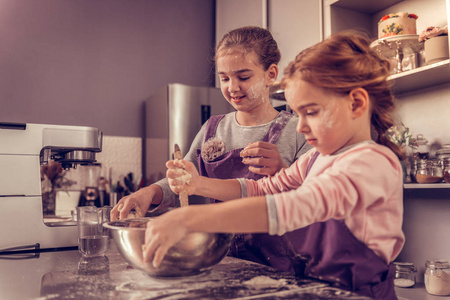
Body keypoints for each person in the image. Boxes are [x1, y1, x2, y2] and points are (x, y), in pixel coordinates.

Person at [143, 31, 405, 300]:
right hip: (319, 287)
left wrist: (189, 219)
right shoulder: (316, 157)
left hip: (361, 293)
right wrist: (198, 184)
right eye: (299, 113)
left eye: (311, 112)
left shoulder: (370, 163)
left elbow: (296, 206)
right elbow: (261, 189)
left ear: (357, 103)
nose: (301, 126)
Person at [111, 26, 311, 265]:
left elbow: (314, 199)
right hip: (225, 259)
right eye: (224, 78)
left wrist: (280, 169)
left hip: (282, 265)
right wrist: (148, 192)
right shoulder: (212, 128)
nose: (232, 87)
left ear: (271, 74)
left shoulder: (300, 130)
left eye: (243, 77)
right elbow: (184, 180)